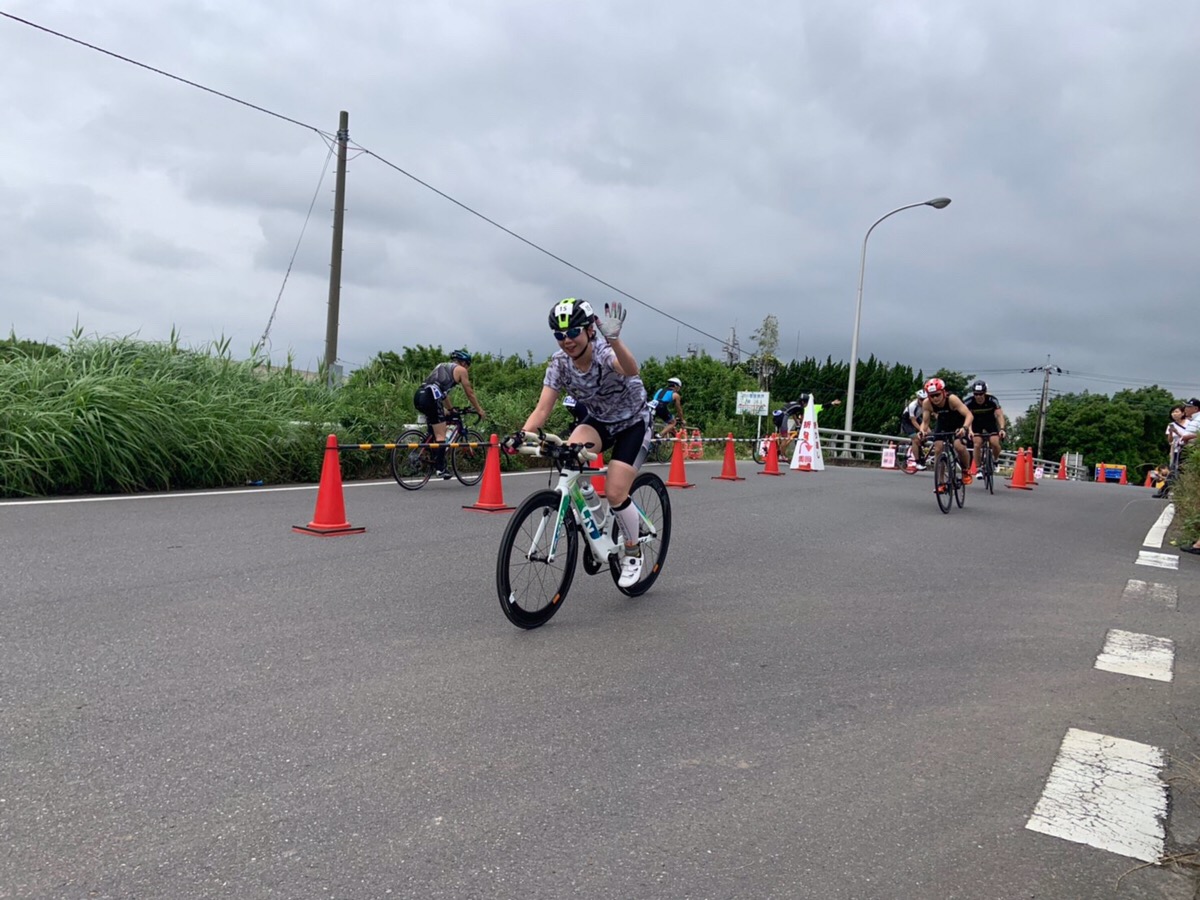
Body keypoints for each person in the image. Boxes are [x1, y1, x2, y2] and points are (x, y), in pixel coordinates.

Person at [510, 298, 651, 588]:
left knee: (615, 492)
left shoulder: (603, 352)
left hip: (633, 422)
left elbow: (630, 368)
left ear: (589, 331)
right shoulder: (560, 364)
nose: (566, 341)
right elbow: (542, 409)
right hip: (600, 421)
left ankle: (633, 551)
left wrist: (615, 340)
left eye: (572, 332)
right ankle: (593, 513)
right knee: (569, 455)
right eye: (559, 335)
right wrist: (522, 435)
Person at [413, 349, 487, 479]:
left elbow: (443, 394)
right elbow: (469, 392)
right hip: (431, 397)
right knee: (441, 434)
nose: (467, 369)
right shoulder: (461, 370)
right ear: (464, 363)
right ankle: (440, 469)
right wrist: (479, 409)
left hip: (420, 395)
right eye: (468, 366)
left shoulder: (441, 366)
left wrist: (451, 409)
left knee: (436, 427)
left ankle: (431, 453)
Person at [918, 377, 974, 489]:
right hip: (943, 423)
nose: (935, 398)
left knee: (959, 446)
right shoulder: (927, 403)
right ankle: (941, 482)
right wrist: (922, 431)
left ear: (943, 392)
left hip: (958, 423)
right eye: (932, 396)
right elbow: (925, 422)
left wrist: (964, 428)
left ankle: (966, 470)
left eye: (937, 395)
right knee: (938, 448)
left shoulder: (952, 399)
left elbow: (969, 415)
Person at [963, 380, 1007, 472]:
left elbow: (999, 415)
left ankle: (995, 460)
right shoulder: (968, 402)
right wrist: (970, 430)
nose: (978, 396)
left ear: (985, 393)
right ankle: (978, 468)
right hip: (975, 423)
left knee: (995, 442)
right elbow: (967, 417)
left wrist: (1002, 429)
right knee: (977, 443)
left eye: (981, 394)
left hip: (989, 422)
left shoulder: (992, 400)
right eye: (976, 394)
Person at [899, 390, 929, 470]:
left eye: (925, 399)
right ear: (918, 398)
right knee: (915, 439)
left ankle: (921, 450)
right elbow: (913, 421)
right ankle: (917, 462)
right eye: (921, 399)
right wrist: (921, 430)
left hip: (917, 417)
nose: (923, 401)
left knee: (929, 433)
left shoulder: (927, 404)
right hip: (907, 421)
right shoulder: (912, 405)